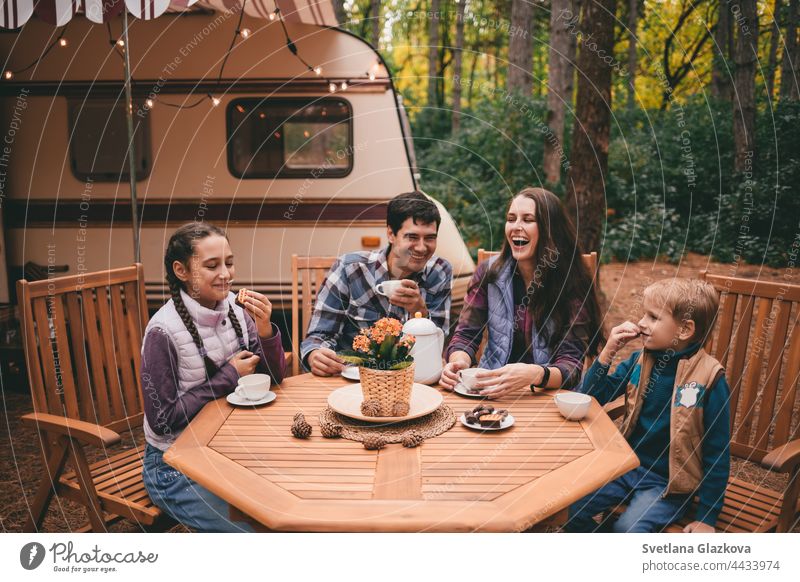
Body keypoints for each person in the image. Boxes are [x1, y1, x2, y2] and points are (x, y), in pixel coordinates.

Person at [140, 223, 286, 532]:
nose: (226, 274)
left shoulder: (235, 308)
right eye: (212, 265)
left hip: (230, 450)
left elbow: (273, 378)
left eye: (229, 262)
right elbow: (162, 420)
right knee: (257, 535)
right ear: (181, 270)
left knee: (292, 510)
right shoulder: (163, 332)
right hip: (173, 467)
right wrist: (229, 376)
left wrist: (265, 330)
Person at [566, 278, 730, 533]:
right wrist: (607, 352)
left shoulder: (709, 379)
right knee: (570, 508)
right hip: (626, 465)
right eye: (644, 314)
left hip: (668, 484)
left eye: (653, 317)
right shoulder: (639, 361)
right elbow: (592, 396)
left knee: (629, 530)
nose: (641, 323)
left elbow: (717, 450)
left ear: (684, 330)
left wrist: (707, 516)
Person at [440, 188, 604, 395]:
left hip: (549, 394)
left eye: (528, 220)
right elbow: (466, 334)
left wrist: (535, 374)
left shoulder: (572, 280)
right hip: (490, 390)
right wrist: (458, 362)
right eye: (511, 219)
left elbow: (571, 367)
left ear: (550, 229)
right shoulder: (488, 273)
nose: (516, 227)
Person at [301, 191, 452, 376]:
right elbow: (319, 335)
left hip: (412, 381)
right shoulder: (350, 268)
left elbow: (438, 348)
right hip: (353, 380)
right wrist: (315, 354)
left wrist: (419, 311)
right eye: (412, 237)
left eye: (430, 238)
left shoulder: (439, 272)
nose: (421, 247)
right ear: (391, 234)